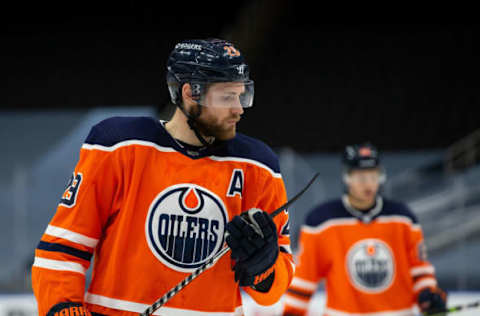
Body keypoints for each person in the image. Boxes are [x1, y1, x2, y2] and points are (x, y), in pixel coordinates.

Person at [32, 38, 294, 316]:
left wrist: (264, 268)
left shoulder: (258, 166)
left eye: (242, 96)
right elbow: (62, 249)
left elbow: (276, 286)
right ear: (190, 93)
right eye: (227, 97)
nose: (239, 109)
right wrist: (64, 308)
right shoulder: (119, 147)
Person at [282, 143, 447, 316]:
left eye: (373, 176)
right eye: (361, 177)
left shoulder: (403, 218)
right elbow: (304, 279)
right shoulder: (321, 222)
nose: (368, 184)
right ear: (347, 177)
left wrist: (428, 295)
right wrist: (292, 312)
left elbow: (420, 270)